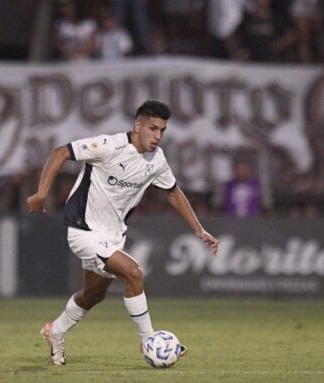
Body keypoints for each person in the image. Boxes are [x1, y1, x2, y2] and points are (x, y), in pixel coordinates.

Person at [27, 100, 219, 365]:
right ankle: (149, 341)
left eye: (162, 130)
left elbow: (173, 192)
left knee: (92, 295)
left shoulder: (157, 159)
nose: (157, 136)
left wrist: (199, 229)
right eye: (152, 128)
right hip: (83, 229)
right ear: (137, 125)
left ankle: (55, 331)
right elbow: (60, 152)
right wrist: (42, 193)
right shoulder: (109, 146)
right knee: (134, 272)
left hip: (113, 236)